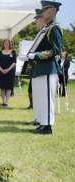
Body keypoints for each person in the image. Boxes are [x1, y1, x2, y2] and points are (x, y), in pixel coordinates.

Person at [20, 0, 63, 135]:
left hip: (48, 68)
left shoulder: (54, 27)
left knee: (47, 99)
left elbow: (56, 50)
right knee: (41, 98)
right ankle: (42, 123)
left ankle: (47, 127)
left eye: (45, 10)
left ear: (53, 10)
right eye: (42, 10)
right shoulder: (48, 27)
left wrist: (36, 55)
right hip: (42, 67)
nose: (42, 12)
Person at [25, 9, 46, 126]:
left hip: (42, 67)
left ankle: (41, 120)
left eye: (37, 18)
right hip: (36, 67)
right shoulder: (40, 32)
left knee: (40, 96)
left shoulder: (45, 31)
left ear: (42, 19)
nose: (36, 21)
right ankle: (37, 119)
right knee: (36, 95)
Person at [0, 38, 17, 107]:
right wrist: (1, 69)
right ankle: (3, 101)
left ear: (9, 44)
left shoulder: (13, 52)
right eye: (5, 43)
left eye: (7, 43)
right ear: (3, 44)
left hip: (10, 72)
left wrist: (8, 69)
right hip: (1, 71)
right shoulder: (0, 52)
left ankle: (6, 102)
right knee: (2, 87)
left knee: (9, 87)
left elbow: (14, 62)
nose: (6, 44)